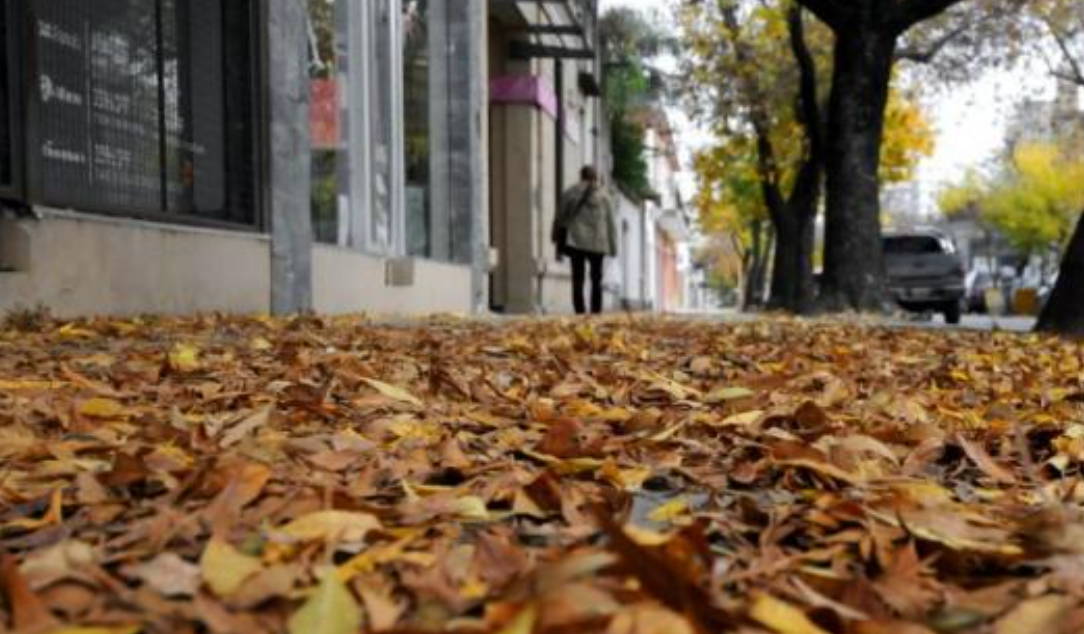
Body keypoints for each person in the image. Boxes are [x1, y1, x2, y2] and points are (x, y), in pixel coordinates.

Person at [552, 165, 617, 315]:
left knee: (578, 278)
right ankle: (596, 312)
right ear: (596, 178)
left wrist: (555, 235)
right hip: (598, 242)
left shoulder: (570, 193)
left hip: (576, 241)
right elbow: (611, 224)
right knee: (596, 279)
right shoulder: (605, 197)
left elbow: (560, 216)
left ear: (581, 176)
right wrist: (614, 248)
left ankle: (579, 312)